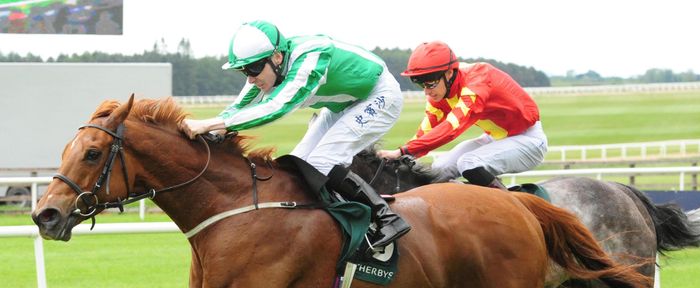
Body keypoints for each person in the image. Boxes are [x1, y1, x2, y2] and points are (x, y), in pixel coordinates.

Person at [182, 21, 409, 248]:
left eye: (253, 69)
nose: (250, 78)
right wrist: (216, 128)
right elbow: (241, 104)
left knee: (322, 161)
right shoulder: (269, 66)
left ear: (278, 57)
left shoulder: (309, 60)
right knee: (297, 165)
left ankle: (386, 218)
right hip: (344, 104)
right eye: (244, 71)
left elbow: (277, 107)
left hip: (379, 96)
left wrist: (210, 124)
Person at [378, 41, 548, 190]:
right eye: (421, 85)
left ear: (449, 73)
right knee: (439, 168)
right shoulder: (440, 91)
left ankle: (512, 210)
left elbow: (452, 127)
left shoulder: (477, 81)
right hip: (495, 138)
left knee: (469, 163)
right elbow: (427, 132)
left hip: (530, 141)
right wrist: (404, 156)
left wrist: (401, 152)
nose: (426, 92)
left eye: (430, 84)